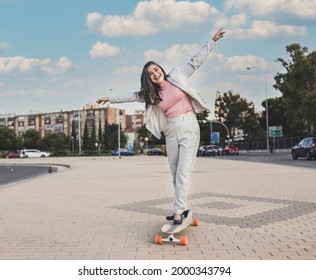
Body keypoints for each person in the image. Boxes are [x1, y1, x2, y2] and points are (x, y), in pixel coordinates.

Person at [97, 28, 226, 224]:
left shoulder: (178, 76)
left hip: (189, 125)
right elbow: (132, 95)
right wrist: (110, 98)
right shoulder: (151, 94)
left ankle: (177, 212)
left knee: (183, 172)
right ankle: (183, 207)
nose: (155, 74)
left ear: (161, 69)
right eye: (150, 73)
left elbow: (195, 62)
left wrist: (212, 41)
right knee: (175, 173)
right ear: (147, 78)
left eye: (156, 69)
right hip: (171, 130)